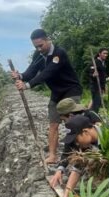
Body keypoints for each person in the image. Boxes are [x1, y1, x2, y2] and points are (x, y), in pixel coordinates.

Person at [12, 29, 83, 164]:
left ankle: (80, 152)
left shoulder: (59, 53)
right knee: (53, 123)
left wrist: (27, 85)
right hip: (56, 92)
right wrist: (20, 76)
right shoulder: (38, 55)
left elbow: (47, 73)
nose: (39, 49)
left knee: (72, 123)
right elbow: (31, 71)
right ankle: (52, 155)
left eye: (41, 45)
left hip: (71, 90)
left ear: (48, 40)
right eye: (36, 47)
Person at [49, 115, 100, 197]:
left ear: (85, 132)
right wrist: (66, 195)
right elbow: (78, 168)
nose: (76, 144)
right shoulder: (86, 144)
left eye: (76, 140)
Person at [88, 48, 109, 113]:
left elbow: (103, 74)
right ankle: (94, 119)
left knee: (96, 102)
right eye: (104, 53)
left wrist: (106, 78)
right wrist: (93, 75)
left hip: (101, 85)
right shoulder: (95, 62)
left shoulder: (103, 63)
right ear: (99, 54)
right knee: (96, 104)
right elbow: (89, 73)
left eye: (106, 53)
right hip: (95, 86)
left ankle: (89, 114)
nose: (106, 55)